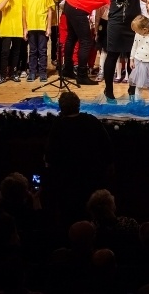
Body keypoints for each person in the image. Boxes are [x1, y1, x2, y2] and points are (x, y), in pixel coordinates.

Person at [45, 91, 113, 223]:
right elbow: (107, 146)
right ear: (78, 105)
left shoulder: (58, 127)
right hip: (91, 179)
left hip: (67, 183)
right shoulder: (91, 121)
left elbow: (50, 156)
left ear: (61, 108)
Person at [62, 0, 107, 85]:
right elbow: (113, 4)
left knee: (71, 38)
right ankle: (82, 75)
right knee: (86, 42)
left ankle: (67, 69)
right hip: (78, 9)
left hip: (69, 4)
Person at [23, 0, 55, 82]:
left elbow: (50, 11)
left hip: (42, 27)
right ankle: (32, 72)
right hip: (31, 27)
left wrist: (48, 27)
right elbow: (24, 12)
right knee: (32, 51)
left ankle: (42, 72)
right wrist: (25, 28)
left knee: (42, 51)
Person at [0, 0, 26, 84]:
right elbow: (0, 7)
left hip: (17, 29)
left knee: (16, 52)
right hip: (6, 29)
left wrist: (25, 29)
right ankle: (3, 74)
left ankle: (13, 73)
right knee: (5, 52)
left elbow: (23, 15)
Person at [127, 15, 149, 102]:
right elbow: (134, 47)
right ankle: (137, 102)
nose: (135, 32)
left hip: (148, 64)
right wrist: (131, 59)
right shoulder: (138, 35)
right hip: (138, 62)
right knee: (138, 85)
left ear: (144, 29)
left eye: (137, 30)